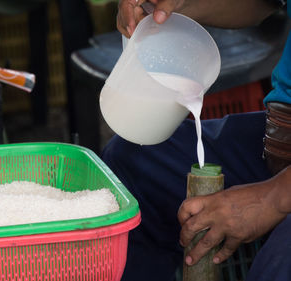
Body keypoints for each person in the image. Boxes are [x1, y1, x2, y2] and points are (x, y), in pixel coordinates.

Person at [102, 0, 291, 280]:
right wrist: (170, 7)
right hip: (281, 137)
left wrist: (273, 199)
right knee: (132, 161)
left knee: (275, 267)